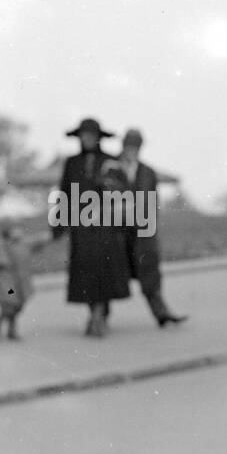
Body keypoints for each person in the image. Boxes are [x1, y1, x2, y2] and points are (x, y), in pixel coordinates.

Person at [51, 117, 133, 337]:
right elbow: (64, 194)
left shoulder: (110, 161)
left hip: (105, 225)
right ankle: (95, 313)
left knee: (104, 269)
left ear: (98, 138)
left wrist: (106, 183)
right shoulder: (72, 163)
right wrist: (59, 225)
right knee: (86, 271)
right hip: (82, 227)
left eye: (92, 136)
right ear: (79, 138)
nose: (87, 139)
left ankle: (100, 314)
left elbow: (123, 191)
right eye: (84, 136)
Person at [116, 128, 187, 327]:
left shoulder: (147, 172)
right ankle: (99, 317)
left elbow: (152, 203)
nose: (131, 150)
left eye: (135, 147)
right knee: (111, 274)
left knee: (149, 273)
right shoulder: (111, 167)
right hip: (117, 232)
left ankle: (162, 315)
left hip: (141, 232)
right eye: (128, 146)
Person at [0, 222, 49, 340]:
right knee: (11, 303)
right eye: (14, 230)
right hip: (5, 283)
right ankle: (6, 327)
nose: (18, 232)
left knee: (17, 304)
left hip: (19, 282)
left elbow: (40, 241)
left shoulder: (23, 243)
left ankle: (3, 326)